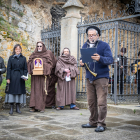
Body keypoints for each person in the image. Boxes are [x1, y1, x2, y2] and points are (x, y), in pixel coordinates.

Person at [80, 26, 113, 132]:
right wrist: (81, 63)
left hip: (101, 77)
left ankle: (101, 124)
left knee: (101, 102)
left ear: (98, 35)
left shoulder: (104, 45)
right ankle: (93, 122)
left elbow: (110, 59)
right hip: (89, 77)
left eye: (93, 35)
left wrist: (100, 58)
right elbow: (84, 60)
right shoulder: (85, 45)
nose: (91, 37)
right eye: (89, 35)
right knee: (91, 102)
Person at [27, 41, 54, 113]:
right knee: (34, 91)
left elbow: (50, 64)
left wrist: (43, 65)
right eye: (38, 46)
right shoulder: (33, 54)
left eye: (40, 46)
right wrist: (33, 65)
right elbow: (29, 62)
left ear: (43, 47)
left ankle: (41, 107)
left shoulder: (47, 54)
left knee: (42, 91)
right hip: (35, 76)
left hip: (43, 76)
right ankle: (34, 107)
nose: (39, 47)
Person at [5, 44, 28, 115]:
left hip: (20, 77)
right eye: (16, 49)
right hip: (12, 77)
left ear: (21, 50)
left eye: (19, 49)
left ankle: (18, 107)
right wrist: (8, 78)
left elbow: (25, 69)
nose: (18, 50)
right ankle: (11, 108)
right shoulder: (11, 58)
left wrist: (25, 77)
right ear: (14, 50)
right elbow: (8, 68)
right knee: (12, 92)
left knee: (19, 92)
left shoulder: (23, 58)